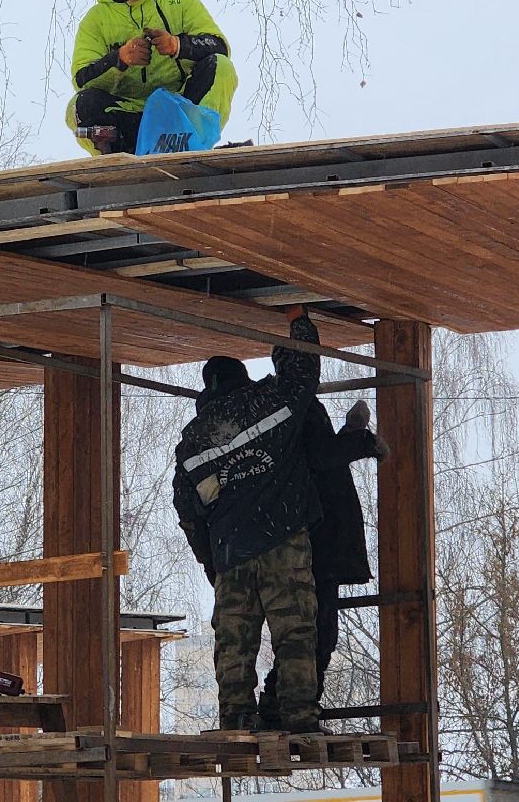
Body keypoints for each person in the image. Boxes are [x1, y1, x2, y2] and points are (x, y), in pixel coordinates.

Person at [172, 307, 323, 733]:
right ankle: (299, 715)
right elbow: (302, 374)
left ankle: (236, 715)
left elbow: (187, 511)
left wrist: (211, 562)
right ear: (242, 378)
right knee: (295, 632)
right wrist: (298, 321)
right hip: (283, 539)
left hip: (230, 552)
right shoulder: (267, 403)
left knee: (234, 639)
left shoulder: (193, 440)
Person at [259, 397, 387, 728]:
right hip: (317, 549)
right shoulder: (297, 405)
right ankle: (289, 708)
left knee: (312, 634)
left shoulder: (285, 408)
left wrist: (351, 436)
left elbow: (319, 457)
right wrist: (359, 440)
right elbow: (320, 456)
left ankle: (279, 706)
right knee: (315, 635)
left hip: (311, 547)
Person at [68, 0, 237, 154]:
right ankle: (119, 154)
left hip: (181, 109)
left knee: (221, 66)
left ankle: (191, 142)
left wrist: (178, 45)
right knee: (79, 105)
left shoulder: (180, 1)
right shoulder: (95, 20)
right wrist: (119, 59)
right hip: (129, 116)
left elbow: (219, 46)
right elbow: (81, 79)